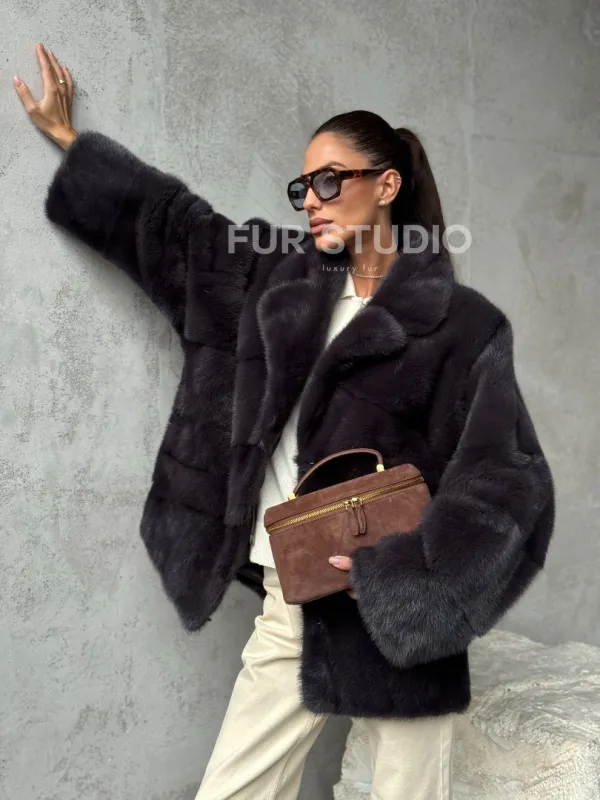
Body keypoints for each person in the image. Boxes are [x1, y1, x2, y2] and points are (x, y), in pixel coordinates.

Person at [15, 43, 555, 800]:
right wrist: (71, 141)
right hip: (293, 594)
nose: (312, 200)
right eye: (304, 185)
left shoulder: (463, 326)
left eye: (331, 180)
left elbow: (508, 481)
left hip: (403, 615)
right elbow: (183, 236)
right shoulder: (275, 285)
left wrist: (413, 580)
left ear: (387, 184)